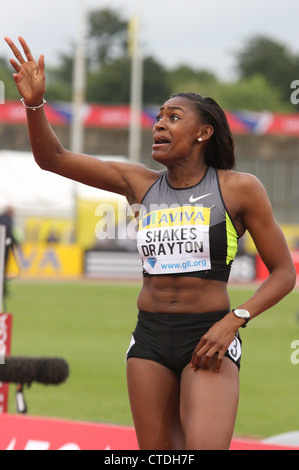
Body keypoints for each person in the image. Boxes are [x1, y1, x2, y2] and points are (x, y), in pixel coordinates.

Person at [4, 36, 296, 450]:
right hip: (149, 339)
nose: (159, 124)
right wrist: (34, 104)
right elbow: (53, 157)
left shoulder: (239, 189)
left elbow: (285, 273)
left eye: (173, 118)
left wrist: (234, 320)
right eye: (158, 117)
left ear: (203, 133)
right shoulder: (138, 183)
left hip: (208, 332)